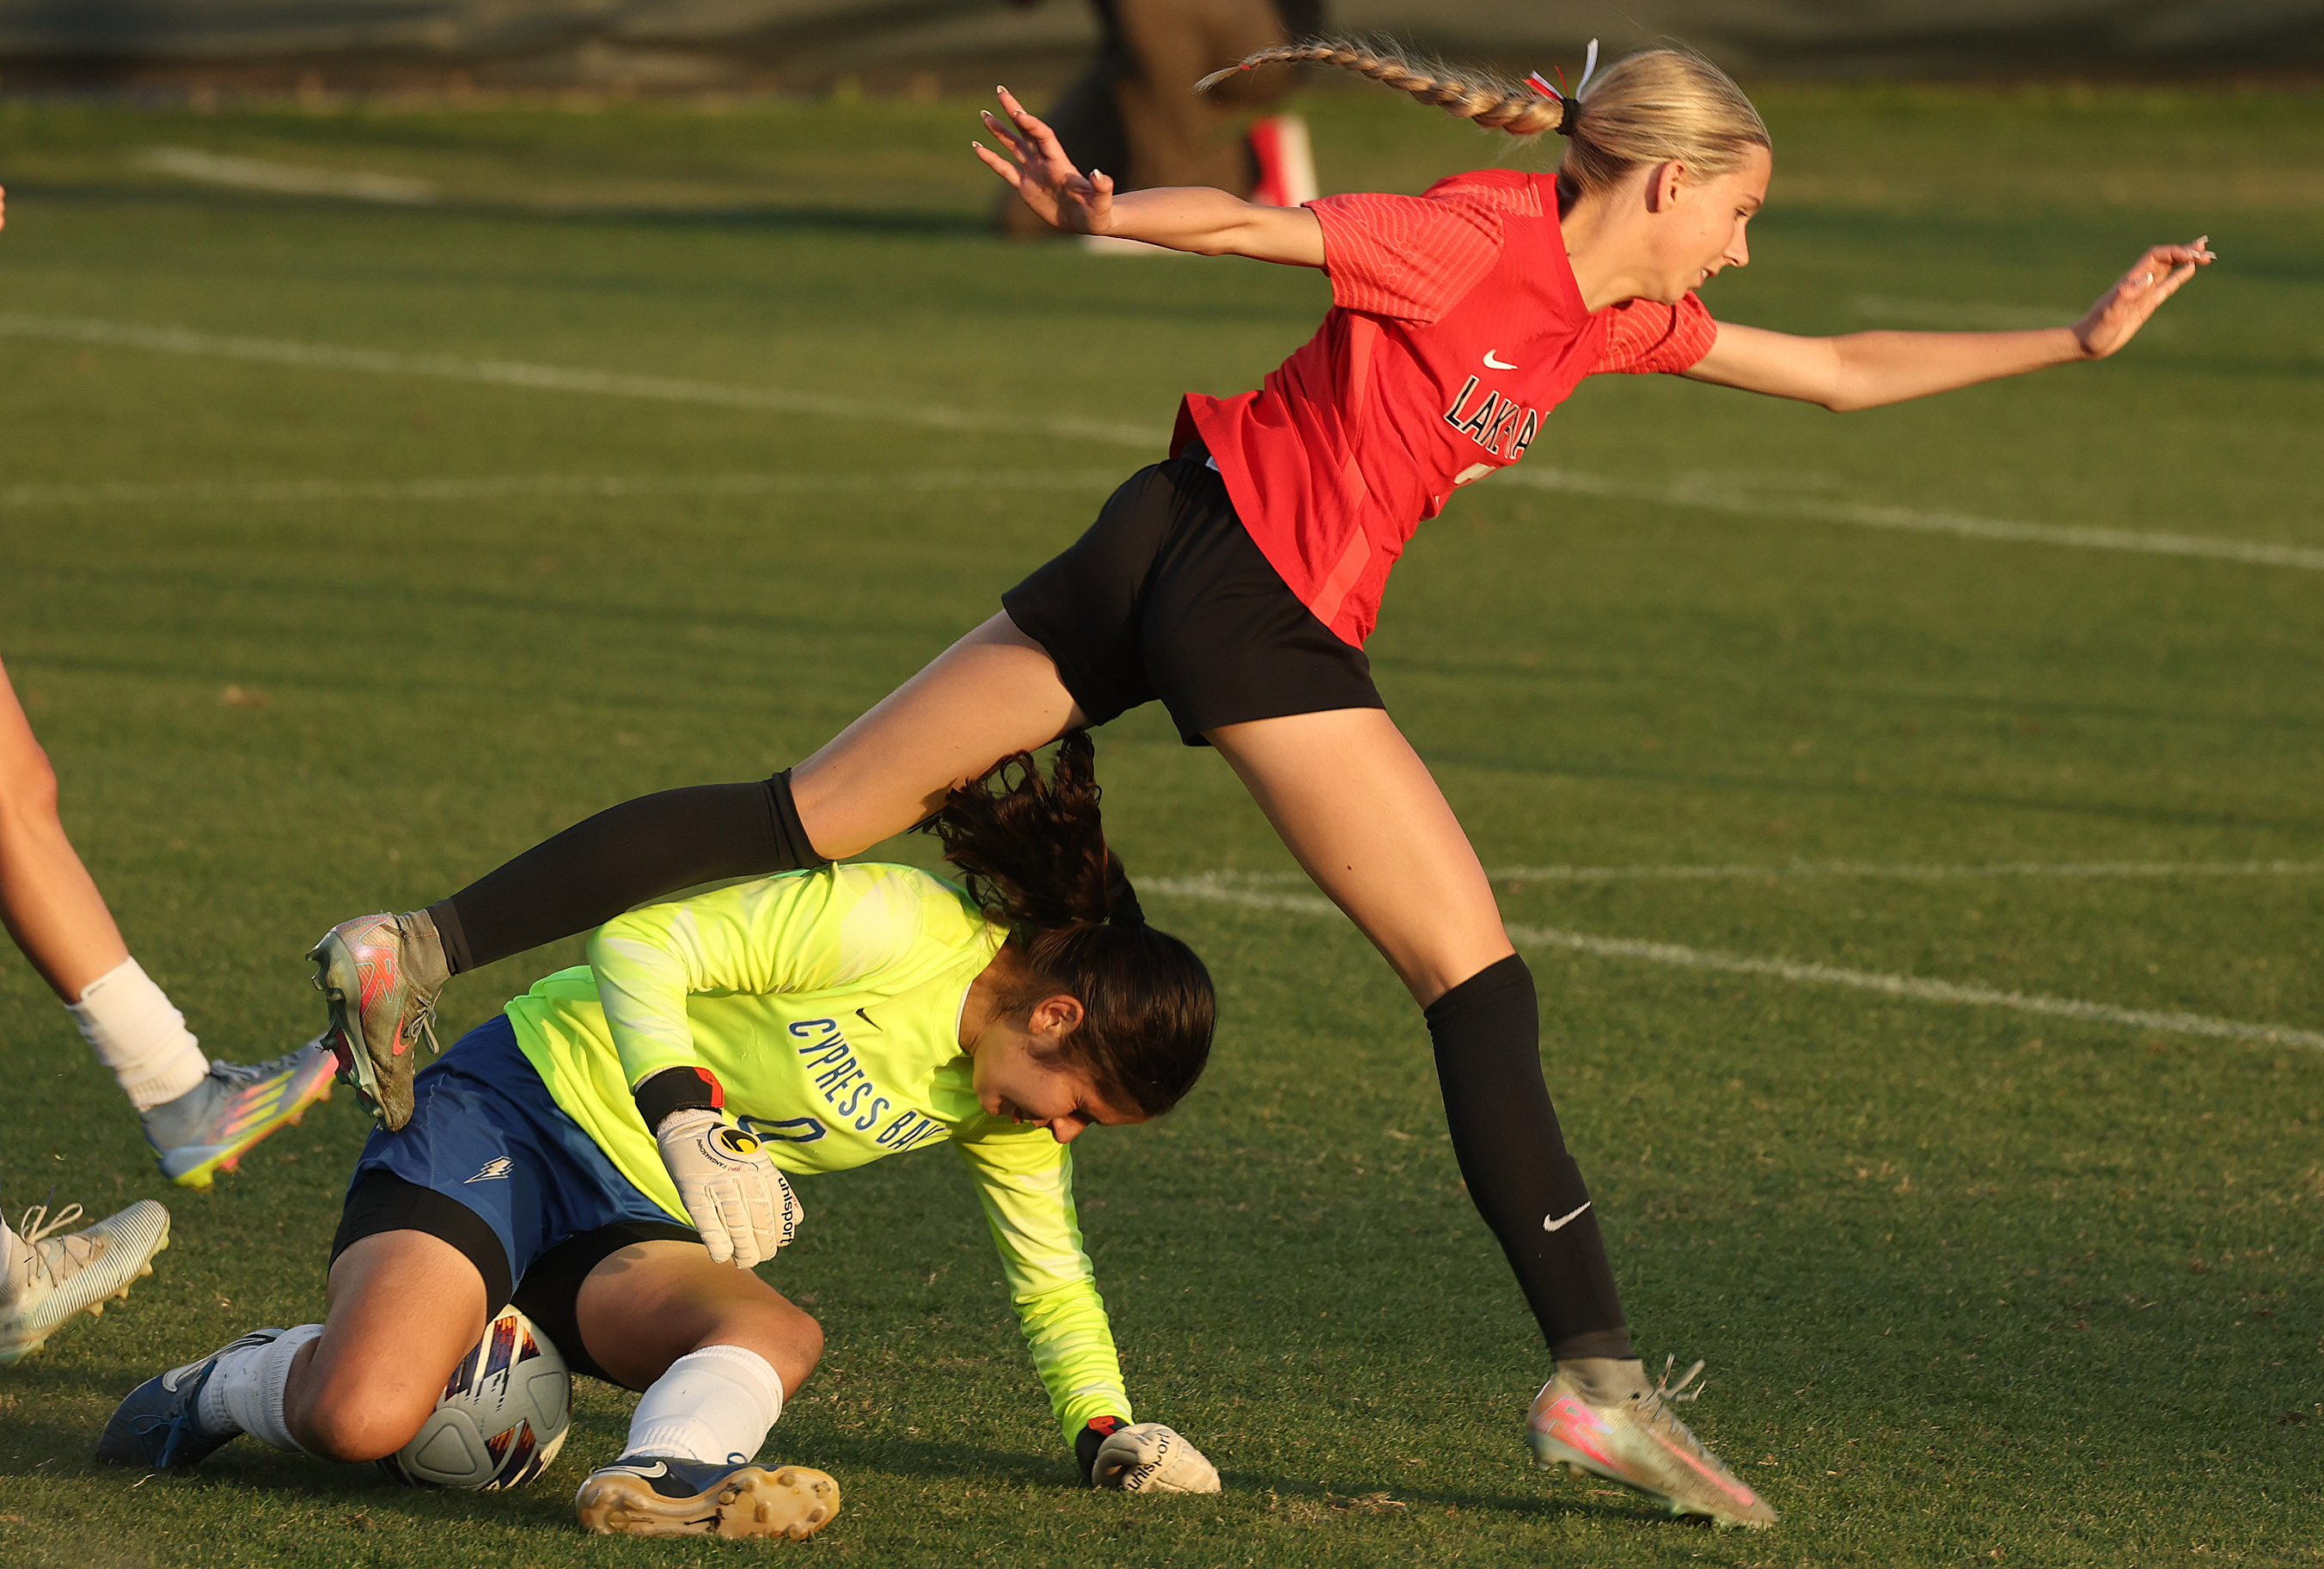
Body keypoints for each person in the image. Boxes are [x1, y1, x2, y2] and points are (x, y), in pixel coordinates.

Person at [303, 42, 2210, 1529]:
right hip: (1250, 600)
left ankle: (419, 942)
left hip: (1158, 547)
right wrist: (1108, 212)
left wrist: (2072, 335)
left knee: (806, 812)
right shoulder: (1484, 234)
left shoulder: (1616, 315)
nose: (1743, 248)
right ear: (1671, 174)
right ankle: (1592, 1384)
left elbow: (1841, 374)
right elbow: (1269, 233)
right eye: (1740, 210)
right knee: (1475, 978)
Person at [106, 736, 1222, 1540]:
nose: (1064, 1134)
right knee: (362, 1413)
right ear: (1057, 1015)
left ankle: (662, 1478)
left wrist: (1104, 1429)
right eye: (1079, 1105)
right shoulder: (896, 925)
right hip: (515, 1113)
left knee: (778, 1332)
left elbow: (1052, 1278)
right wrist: (683, 1107)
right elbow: (639, 943)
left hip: (636, 1220)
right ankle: (224, 1382)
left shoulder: (1004, 1108)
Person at [995, 0, 1323, 240]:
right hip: (1134, 68)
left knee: (1157, 6)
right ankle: (1249, 153)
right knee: (1035, 210)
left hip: (1266, 39)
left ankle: (1195, 182)